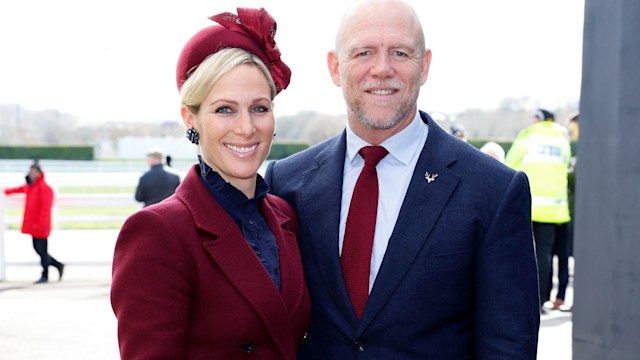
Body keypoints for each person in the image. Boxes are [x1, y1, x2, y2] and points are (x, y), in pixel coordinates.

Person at [265, 0, 540, 358]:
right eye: (363, 52)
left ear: (424, 65)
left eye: (400, 52)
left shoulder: (493, 191)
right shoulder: (286, 182)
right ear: (335, 67)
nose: (381, 69)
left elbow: (509, 346)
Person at [110, 7, 311, 359]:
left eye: (260, 108)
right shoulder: (158, 233)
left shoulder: (284, 214)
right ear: (191, 118)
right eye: (224, 110)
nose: (247, 128)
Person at [505, 108, 572, 313]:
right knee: (545, 256)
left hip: (527, 208)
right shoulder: (562, 141)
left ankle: (523, 299)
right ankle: (542, 300)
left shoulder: (527, 137)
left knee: (520, 254)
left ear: (539, 120)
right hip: (554, 210)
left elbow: (508, 167)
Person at [3, 161, 64, 283]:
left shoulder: (44, 188)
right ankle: (57, 265)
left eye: (34, 172)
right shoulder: (31, 186)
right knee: (38, 249)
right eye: (31, 172)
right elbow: (19, 189)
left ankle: (46, 274)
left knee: (42, 250)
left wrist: (40, 224)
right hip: (33, 224)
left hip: (40, 225)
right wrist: (5, 191)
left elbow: (45, 209)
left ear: (39, 173)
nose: (32, 174)